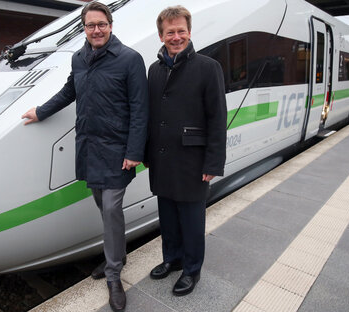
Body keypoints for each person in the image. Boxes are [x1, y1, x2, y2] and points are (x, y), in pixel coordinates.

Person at [21, 2, 148, 310]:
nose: (96, 30)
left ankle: (114, 274)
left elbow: (141, 109)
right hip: (89, 149)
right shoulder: (79, 58)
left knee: (111, 208)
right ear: (85, 28)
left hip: (118, 152)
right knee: (102, 209)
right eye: (90, 25)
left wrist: (134, 152)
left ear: (111, 25)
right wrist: (40, 111)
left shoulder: (130, 59)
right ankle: (117, 255)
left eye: (101, 24)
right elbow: (69, 91)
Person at [144, 5, 226, 296]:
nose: (176, 37)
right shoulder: (154, 70)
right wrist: (146, 154)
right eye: (170, 32)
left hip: (193, 160)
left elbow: (217, 118)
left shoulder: (208, 67)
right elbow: (151, 115)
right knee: (167, 215)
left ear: (189, 33)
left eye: (181, 31)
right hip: (162, 159)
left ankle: (192, 269)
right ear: (161, 35)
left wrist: (213, 162)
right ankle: (173, 259)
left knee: (191, 220)